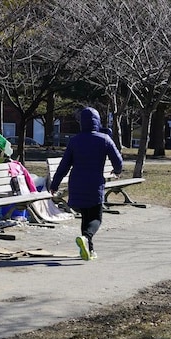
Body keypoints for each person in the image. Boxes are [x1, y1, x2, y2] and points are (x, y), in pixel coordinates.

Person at [49, 107, 123, 261]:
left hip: (76, 183)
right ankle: (87, 238)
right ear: (97, 121)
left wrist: (55, 184)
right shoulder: (104, 139)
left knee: (85, 217)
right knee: (96, 218)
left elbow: (64, 165)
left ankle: (89, 250)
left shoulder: (74, 141)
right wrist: (116, 171)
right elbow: (118, 161)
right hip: (94, 184)